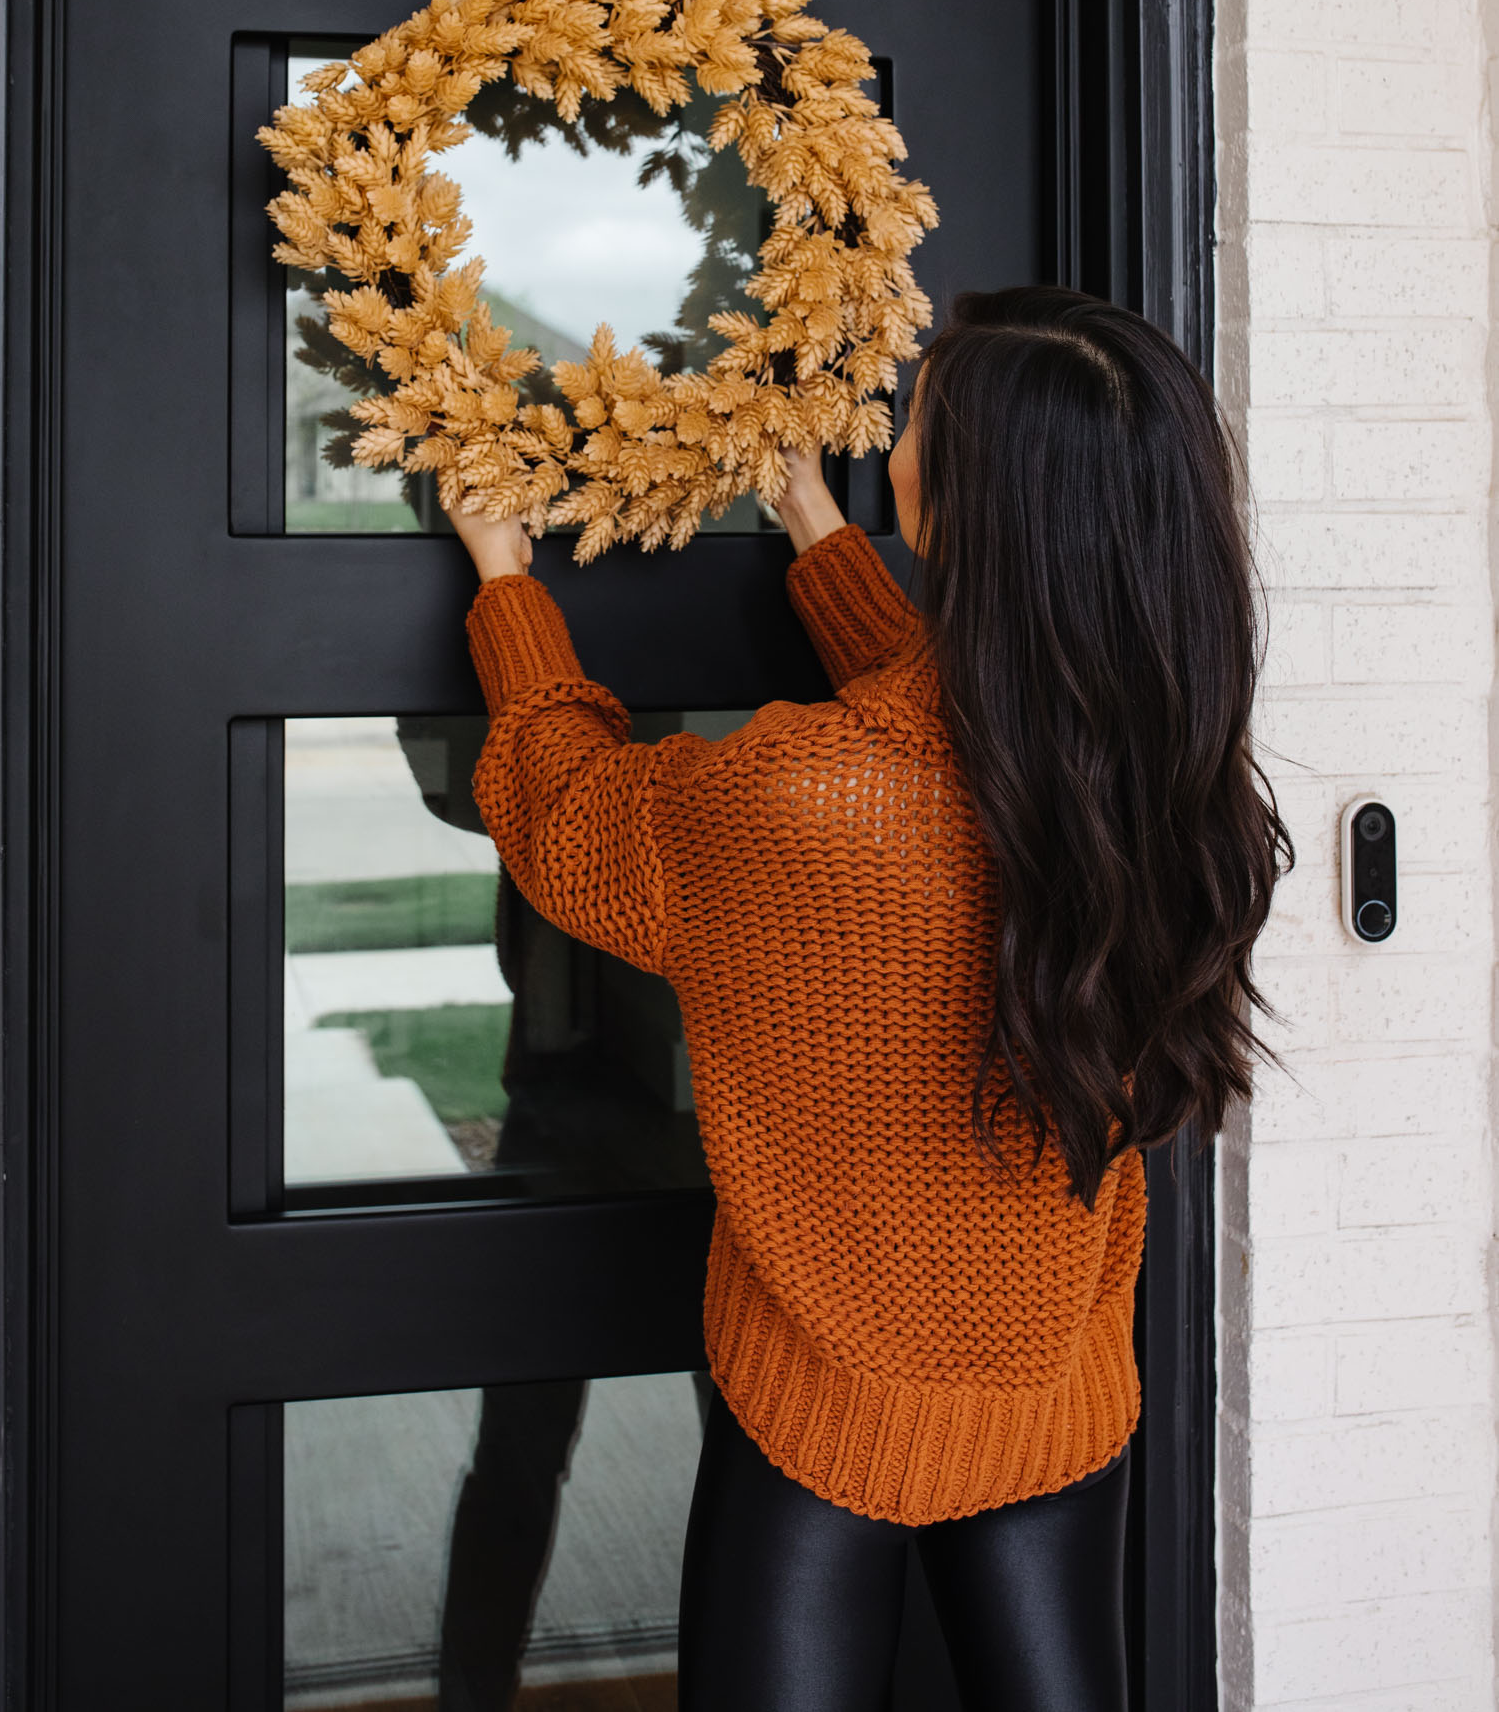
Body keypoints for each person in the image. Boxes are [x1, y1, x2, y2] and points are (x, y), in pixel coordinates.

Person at [448, 287, 1290, 1712]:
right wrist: (811, 523)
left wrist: (506, 578)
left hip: (821, 1413)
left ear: (952, 504)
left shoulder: (797, 800)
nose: (889, 429)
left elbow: (570, 815)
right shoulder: (1164, 782)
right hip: (1050, 1391)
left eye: (914, 419)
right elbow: (970, 717)